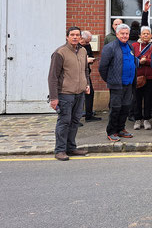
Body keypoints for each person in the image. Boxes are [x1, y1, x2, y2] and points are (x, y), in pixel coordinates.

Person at [48, 26, 90, 161]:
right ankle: (60, 150)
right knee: (64, 121)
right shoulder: (60, 53)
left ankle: (71, 148)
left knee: (75, 121)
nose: (75, 37)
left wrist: (87, 84)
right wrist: (54, 98)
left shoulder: (83, 51)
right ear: (67, 37)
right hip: (65, 93)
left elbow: (85, 70)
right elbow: (53, 76)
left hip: (80, 92)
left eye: (77, 35)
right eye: (72, 35)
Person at [99, 24, 137, 142]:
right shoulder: (110, 47)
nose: (125, 36)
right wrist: (110, 79)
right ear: (117, 34)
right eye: (122, 33)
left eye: (126, 33)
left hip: (129, 83)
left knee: (125, 107)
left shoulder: (130, 47)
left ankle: (121, 129)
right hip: (116, 84)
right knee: (116, 108)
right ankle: (111, 131)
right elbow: (102, 67)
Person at [132, 26, 152, 130]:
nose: (145, 35)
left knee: (148, 99)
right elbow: (131, 59)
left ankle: (146, 119)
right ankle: (137, 119)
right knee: (137, 99)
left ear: (150, 35)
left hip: (150, 77)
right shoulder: (134, 45)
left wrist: (147, 61)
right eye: (144, 33)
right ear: (140, 35)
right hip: (137, 77)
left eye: (147, 33)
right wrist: (139, 61)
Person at [79, 30, 100, 122]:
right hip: (77, 74)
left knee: (90, 93)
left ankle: (89, 114)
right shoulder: (76, 47)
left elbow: (90, 54)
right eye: (86, 41)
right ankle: (76, 119)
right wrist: (85, 60)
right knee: (78, 96)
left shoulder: (87, 45)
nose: (87, 43)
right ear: (81, 38)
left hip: (86, 72)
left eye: (89, 41)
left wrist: (91, 59)